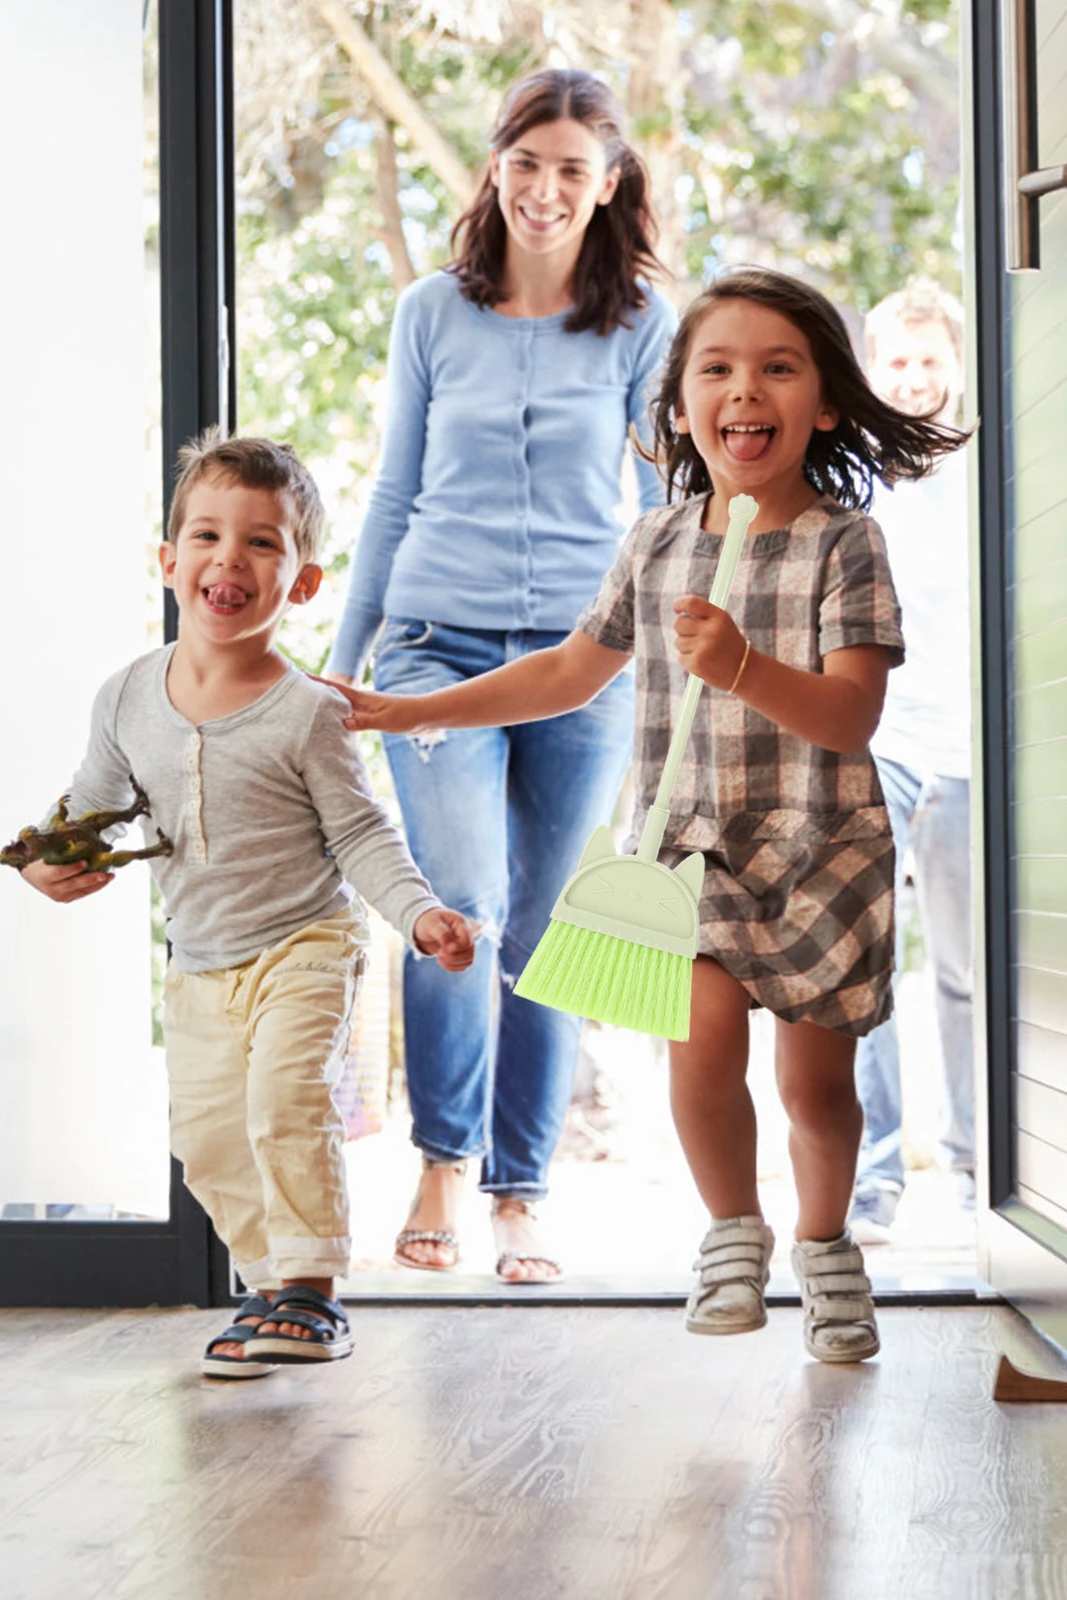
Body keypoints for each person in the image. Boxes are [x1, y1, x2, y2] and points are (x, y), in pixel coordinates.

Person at [336, 267, 967, 1361]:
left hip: (824, 848)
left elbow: (851, 715)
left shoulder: (845, 543)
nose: (744, 390)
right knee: (700, 1042)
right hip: (697, 853)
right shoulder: (656, 543)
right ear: (678, 407)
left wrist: (742, 665)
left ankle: (825, 1248)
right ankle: (732, 1232)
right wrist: (411, 704)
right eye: (715, 369)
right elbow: (569, 673)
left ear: (823, 400)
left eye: (777, 367)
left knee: (815, 1086)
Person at [13, 431, 475, 1378]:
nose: (231, 558)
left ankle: (311, 1292)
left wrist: (419, 914)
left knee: (283, 1103)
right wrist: (42, 861)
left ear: (301, 584)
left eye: (263, 543)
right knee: (208, 1135)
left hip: (305, 939)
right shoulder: (127, 696)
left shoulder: (309, 711)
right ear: (170, 560)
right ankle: (268, 1285)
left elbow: (360, 836)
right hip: (198, 958)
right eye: (209, 536)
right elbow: (90, 807)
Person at [323, 67, 676, 1283]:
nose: (543, 189)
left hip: (585, 661)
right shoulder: (433, 310)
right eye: (525, 163)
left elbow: (664, 507)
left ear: (608, 182)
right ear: (494, 167)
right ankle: (439, 1163)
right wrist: (340, 663)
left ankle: (520, 1191)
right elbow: (392, 490)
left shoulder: (641, 326)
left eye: (571, 169)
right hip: (432, 647)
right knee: (456, 905)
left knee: (548, 919)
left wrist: (672, 657)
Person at [847, 279, 976, 1245]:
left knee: (970, 970)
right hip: (877, 742)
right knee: (868, 966)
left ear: (958, 367)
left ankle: (979, 1166)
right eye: (898, 360)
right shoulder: (853, 483)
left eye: (932, 359)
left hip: (971, 747)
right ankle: (875, 1179)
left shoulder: (989, 470)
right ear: (871, 369)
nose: (916, 377)